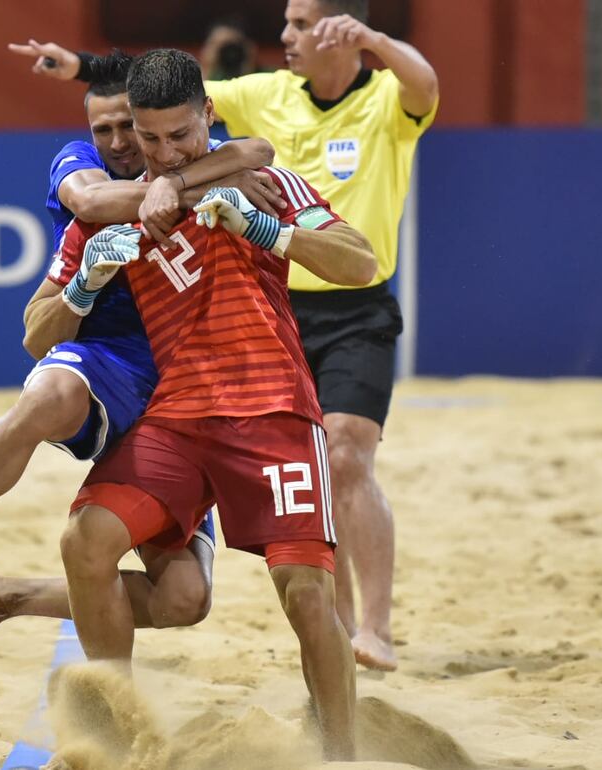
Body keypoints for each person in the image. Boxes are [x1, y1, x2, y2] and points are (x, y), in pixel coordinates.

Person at [6, 0, 439, 673]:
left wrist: (376, 39)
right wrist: (85, 70)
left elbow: (272, 150)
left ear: (340, 30)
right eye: (286, 25)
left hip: (349, 300)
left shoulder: (384, 95)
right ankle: (332, 628)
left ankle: (372, 628)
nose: (285, 36)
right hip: (271, 304)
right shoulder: (263, 92)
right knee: (149, 565)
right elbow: (152, 92)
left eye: (299, 25)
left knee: (348, 456)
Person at [0, 50, 283, 678]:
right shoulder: (81, 168)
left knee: (184, 601)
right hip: (110, 357)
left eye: (133, 128)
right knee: (48, 396)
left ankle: (6, 595)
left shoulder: (186, 154)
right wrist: (87, 283)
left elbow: (258, 151)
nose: (121, 143)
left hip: (188, 387)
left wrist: (175, 182)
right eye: (108, 130)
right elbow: (90, 216)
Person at [49, 48, 376, 762]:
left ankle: (340, 755)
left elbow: (361, 263)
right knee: (86, 541)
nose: (163, 153)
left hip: (272, 411)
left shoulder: (263, 182)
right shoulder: (122, 207)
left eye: (181, 136)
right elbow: (35, 330)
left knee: (306, 598)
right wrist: (83, 286)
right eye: (148, 137)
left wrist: (268, 232)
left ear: (209, 116)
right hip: (176, 419)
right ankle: (112, 740)